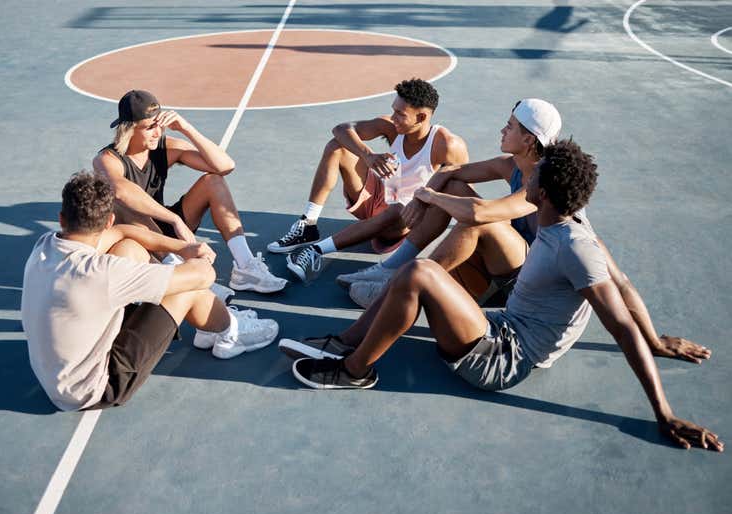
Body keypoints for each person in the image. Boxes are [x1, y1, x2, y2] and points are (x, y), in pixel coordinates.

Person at [279, 140, 721, 452]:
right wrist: (660, 340)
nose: (525, 180)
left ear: (542, 193)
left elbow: (620, 323)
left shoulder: (575, 247)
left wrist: (664, 412)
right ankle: (348, 343)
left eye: (535, 177)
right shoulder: (568, 225)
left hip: (506, 358)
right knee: (422, 275)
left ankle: (355, 371)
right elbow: (625, 284)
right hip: (500, 327)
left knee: (421, 273)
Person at [22, 172, 279, 411]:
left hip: (56, 374)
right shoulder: (104, 273)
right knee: (186, 289)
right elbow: (204, 275)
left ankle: (206, 326)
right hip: (92, 388)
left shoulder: (45, 246)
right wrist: (194, 255)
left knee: (130, 248)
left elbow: (122, 232)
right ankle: (230, 333)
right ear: (108, 218)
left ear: (61, 218)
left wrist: (181, 249)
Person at [340, 98, 561, 308]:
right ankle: (392, 267)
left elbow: (478, 213)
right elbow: (450, 170)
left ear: (528, 140)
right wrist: (421, 199)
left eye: (509, 126)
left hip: (531, 280)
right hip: (511, 258)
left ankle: (398, 289)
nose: (502, 130)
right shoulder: (510, 166)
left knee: (478, 222)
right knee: (452, 186)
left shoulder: (544, 183)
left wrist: (431, 197)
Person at [265, 79, 468, 282]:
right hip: (379, 197)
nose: (394, 118)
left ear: (421, 117)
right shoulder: (392, 127)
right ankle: (308, 224)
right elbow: (341, 129)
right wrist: (368, 155)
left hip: (405, 218)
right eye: (394, 110)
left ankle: (316, 250)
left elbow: (460, 193)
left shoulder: (448, 145)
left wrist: (427, 211)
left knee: (397, 209)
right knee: (337, 146)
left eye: (400, 114)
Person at [93, 89, 286, 294]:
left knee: (214, 181)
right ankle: (182, 272)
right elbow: (122, 191)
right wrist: (175, 220)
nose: (158, 132)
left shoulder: (164, 148)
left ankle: (246, 266)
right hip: (138, 239)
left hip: (168, 229)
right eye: (150, 127)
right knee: (124, 203)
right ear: (129, 129)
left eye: (160, 125)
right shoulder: (106, 159)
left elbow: (225, 166)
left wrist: (186, 128)